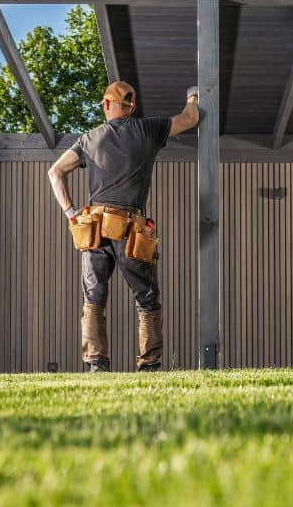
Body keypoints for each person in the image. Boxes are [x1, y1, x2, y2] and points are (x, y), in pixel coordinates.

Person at [47, 81, 200, 372]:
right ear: (132, 106)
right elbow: (190, 118)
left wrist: (71, 213)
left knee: (93, 298)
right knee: (147, 299)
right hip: (132, 231)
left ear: (106, 104)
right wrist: (192, 94)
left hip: (95, 232)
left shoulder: (89, 139)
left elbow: (55, 172)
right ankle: (149, 365)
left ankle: (96, 365)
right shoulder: (148, 130)